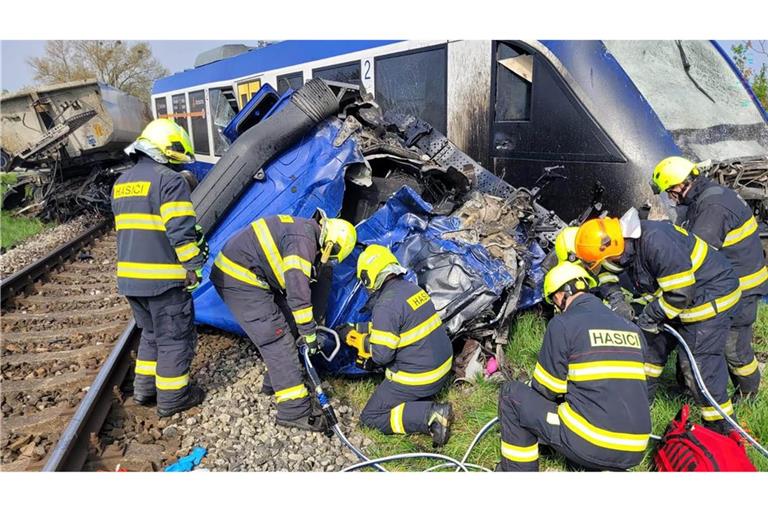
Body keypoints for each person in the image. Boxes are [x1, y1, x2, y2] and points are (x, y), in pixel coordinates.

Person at [574, 208, 741, 433]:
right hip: (673, 299)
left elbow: (681, 293)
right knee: (648, 353)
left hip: (709, 297)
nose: (604, 263)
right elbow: (605, 273)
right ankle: (639, 408)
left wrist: (649, 316)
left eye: (604, 259)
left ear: (614, 246)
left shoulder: (656, 242)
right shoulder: (619, 245)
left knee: (698, 369)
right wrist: (616, 299)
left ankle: (724, 431)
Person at [210, 210, 356, 431]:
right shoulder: (303, 241)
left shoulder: (305, 232)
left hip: (249, 274)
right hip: (240, 278)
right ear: (330, 245)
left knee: (285, 325)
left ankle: (277, 382)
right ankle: (294, 411)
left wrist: (309, 325)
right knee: (277, 338)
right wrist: (309, 333)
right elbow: (298, 292)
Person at [497, 261, 651, 471]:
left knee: (511, 395)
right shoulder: (631, 328)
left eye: (553, 300)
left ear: (560, 295)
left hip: (593, 442)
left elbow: (547, 389)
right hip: (636, 448)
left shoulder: (563, 324)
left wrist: (530, 384)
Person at [113, 118, 209, 417]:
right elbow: (180, 230)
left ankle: (145, 390)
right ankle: (173, 398)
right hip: (164, 280)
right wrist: (194, 266)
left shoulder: (122, 183)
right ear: (167, 149)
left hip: (130, 280)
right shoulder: (169, 180)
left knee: (151, 335)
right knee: (174, 340)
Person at [652, 156, 766, 401]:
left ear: (683, 184)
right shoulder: (702, 198)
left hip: (741, 288)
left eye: (670, 191)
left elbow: (696, 253)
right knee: (696, 336)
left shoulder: (712, 208)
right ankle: (689, 390)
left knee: (733, 348)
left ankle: (749, 393)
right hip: (723, 281)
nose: (670, 197)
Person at [339, 245, 454, 446]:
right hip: (442, 367)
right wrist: (356, 327)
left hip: (420, 377)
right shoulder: (412, 289)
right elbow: (395, 325)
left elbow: (381, 356)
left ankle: (431, 415)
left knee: (370, 418)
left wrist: (360, 341)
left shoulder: (385, 305)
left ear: (368, 277)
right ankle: (420, 404)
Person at [543, 226, 634, 321]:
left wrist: (616, 299)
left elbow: (605, 279)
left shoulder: (598, 258)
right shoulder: (560, 278)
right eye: (587, 258)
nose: (593, 260)